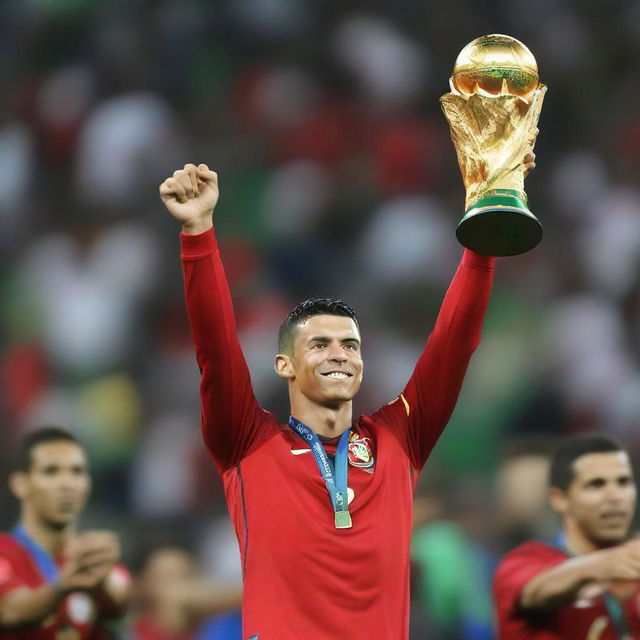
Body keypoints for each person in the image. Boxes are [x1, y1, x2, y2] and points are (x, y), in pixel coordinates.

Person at [159, 159, 514, 639]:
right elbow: (216, 353)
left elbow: (453, 347)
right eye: (319, 345)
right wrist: (198, 233)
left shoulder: (399, 437)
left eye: (351, 345)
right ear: (283, 364)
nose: (340, 355)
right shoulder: (246, 442)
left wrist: (482, 246)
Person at [493, 432, 640, 639]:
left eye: (623, 482)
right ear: (559, 500)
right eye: (596, 484)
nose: (615, 496)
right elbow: (537, 591)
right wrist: (600, 566)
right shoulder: (525, 561)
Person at [0, 427, 130, 639]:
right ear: (20, 484)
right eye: (51, 471)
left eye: (77, 472)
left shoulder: (93, 558)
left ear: (87, 483)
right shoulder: (4, 552)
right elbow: (10, 611)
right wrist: (63, 586)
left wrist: (103, 583)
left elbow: (123, 605)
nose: (67, 484)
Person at [130, 541, 242, 640]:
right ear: (142, 584)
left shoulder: (224, 628)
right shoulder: (128, 633)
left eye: (185, 577)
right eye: (166, 579)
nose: (179, 589)